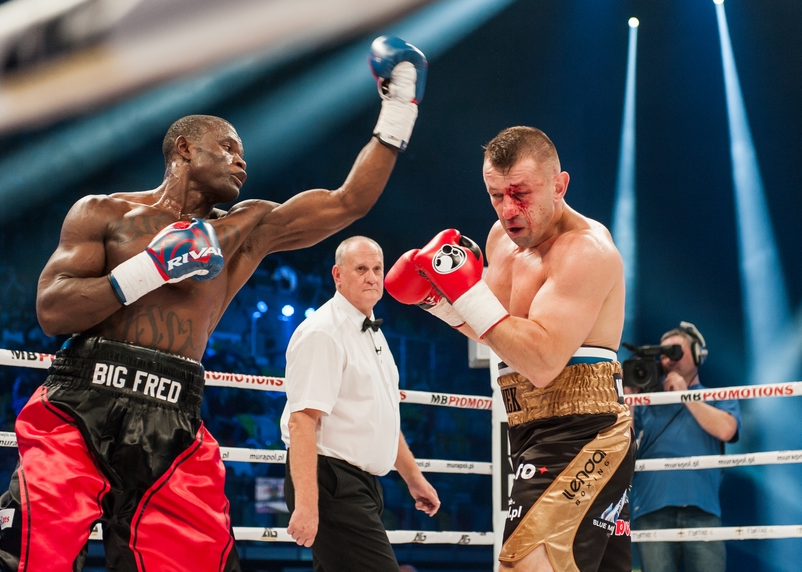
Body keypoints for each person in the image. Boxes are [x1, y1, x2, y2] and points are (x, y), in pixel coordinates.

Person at [0, 36, 427, 572]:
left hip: (174, 416)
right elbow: (52, 311)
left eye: (242, 153)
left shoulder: (245, 229)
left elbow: (349, 201)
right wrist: (148, 269)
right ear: (184, 149)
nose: (241, 160)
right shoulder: (103, 213)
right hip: (81, 401)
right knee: (39, 551)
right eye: (228, 148)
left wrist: (398, 108)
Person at [385, 125, 635, 571]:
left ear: (559, 185)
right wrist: (434, 302)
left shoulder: (585, 251)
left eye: (520, 193)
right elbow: (497, 332)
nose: (507, 209)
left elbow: (541, 361)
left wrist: (464, 293)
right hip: (529, 431)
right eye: (496, 195)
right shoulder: (501, 241)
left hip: (584, 434)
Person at [280, 236, 440, 572]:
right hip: (331, 483)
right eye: (361, 269)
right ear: (337, 275)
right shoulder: (324, 332)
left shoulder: (373, 333)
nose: (371, 277)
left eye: (377, 269)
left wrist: (414, 478)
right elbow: (301, 420)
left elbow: (381, 417)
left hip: (360, 485)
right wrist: (307, 505)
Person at [630, 322, 741, 572]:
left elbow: (727, 429)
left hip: (703, 511)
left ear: (698, 354)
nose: (669, 359)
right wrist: (630, 397)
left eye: (675, 351)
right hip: (650, 510)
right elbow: (622, 443)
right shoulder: (646, 403)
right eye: (663, 353)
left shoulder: (718, 397)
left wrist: (685, 395)